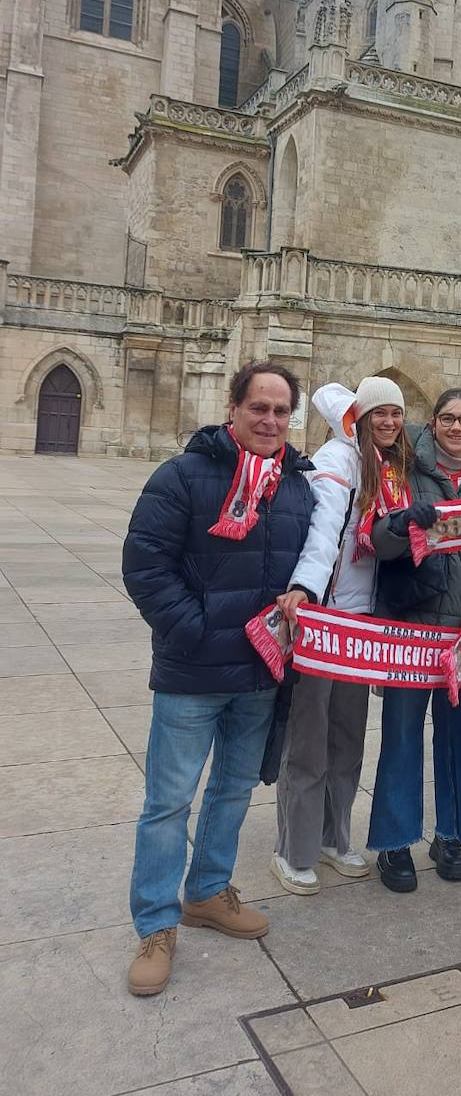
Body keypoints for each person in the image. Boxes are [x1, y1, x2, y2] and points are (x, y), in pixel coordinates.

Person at [122, 361, 314, 998]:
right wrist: (194, 630)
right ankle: (155, 925)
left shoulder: (296, 486)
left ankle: (207, 891)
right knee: (169, 801)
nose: (269, 420)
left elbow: (312, 566)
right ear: (233, 409)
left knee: (232, 790)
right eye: (258, 408)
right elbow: (145, 565)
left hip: (260, 671)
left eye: (281, 411)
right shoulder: (184, 474)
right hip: (192, 672)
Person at [272, 377, 421, 894]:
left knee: (348, 739)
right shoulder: (339, 459)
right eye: (378, 413)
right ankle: (294, 847)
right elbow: (323, 532)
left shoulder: (390, 469)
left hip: (361, 625)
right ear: (359, 416)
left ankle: (336, 838)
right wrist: (305, 590)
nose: (388, 422)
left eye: (396, 414)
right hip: (323, 620)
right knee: (308, 741)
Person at [368, 388, 461, 892]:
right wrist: (403, 521)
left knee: (455, 736)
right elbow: (376, 539)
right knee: (401, 735)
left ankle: (450, 834)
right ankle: (394, 840)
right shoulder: (402, 467)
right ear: (432, 423)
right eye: (448, 418)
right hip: (411, 625)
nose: (457, 427)